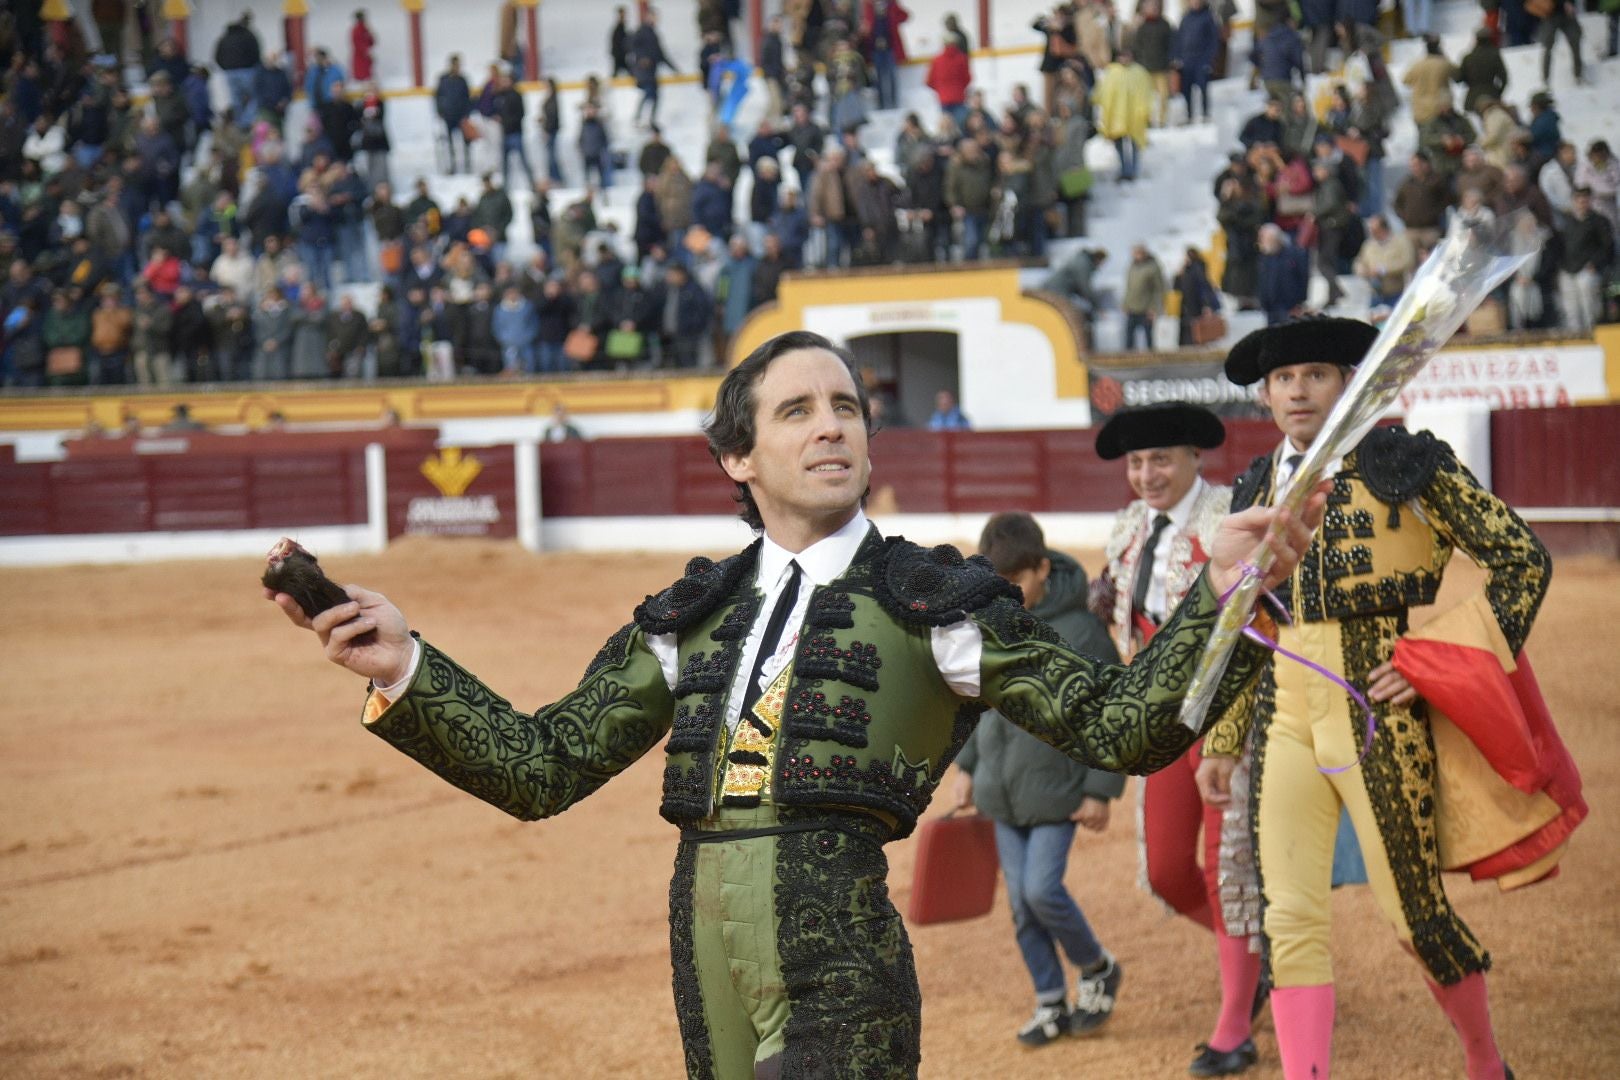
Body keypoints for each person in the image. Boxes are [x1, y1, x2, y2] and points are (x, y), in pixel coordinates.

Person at [267, 330, 1323, 1079]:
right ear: (738, 455)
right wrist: (404, 667)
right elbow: (541, 765)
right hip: (702, 947)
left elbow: (1122, 724)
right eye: (797, 409)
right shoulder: (693, 612)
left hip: (842, 952)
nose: (833, 427)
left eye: (847, 407)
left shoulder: (936, 601)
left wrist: (1227, 601)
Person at [1201, 317, 1556, 1080]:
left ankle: (1486, 1064)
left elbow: (1522, 560)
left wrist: (1436, 659)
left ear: (1349, 384)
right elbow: (1247, 617)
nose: (1298, 390)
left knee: (1415, 916)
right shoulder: (1255, 484)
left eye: (1316, 375)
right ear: (1265, 396)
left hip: (1378, 714)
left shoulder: (1402, 462)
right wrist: (1227, 737)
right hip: (1282, 715)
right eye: (1283, 379)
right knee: (1289, 918)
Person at [955, 512, 1125, 1047]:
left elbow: (1112, 713)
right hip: (1001, 789)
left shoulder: (1082, 630)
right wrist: (966, 769)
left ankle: (1096, 967)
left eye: (1017, 583)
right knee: (1022, 906)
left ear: (1043, 568)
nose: (1007, 594)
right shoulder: (987, 623)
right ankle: (1050, 1001)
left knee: (1041, 890)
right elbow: (976, 703)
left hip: (1060, 790)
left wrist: (1099, 790)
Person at [1122, 244, 1166, 350]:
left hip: (1146, 308)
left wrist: (1155, 308)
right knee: (1129, 338)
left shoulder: (1153, 268)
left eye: (1138, 253)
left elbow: (1158, 289)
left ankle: (1151, 360)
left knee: (1149, 338)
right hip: (1132, 307)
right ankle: (1129, 359)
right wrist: (1125, 303)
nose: (1136, 256)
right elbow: (1129, 287)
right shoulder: (1132, 267)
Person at [435, 55, 473, 174]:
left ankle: (467, 166)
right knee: (449, 143)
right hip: (449, 115)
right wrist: (440, 111)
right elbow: (438, 96)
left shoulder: (462, 80)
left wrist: (466, 114)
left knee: (465, 142)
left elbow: (467, 98)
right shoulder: (443, 79)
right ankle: (452, 166)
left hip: (461, 116)